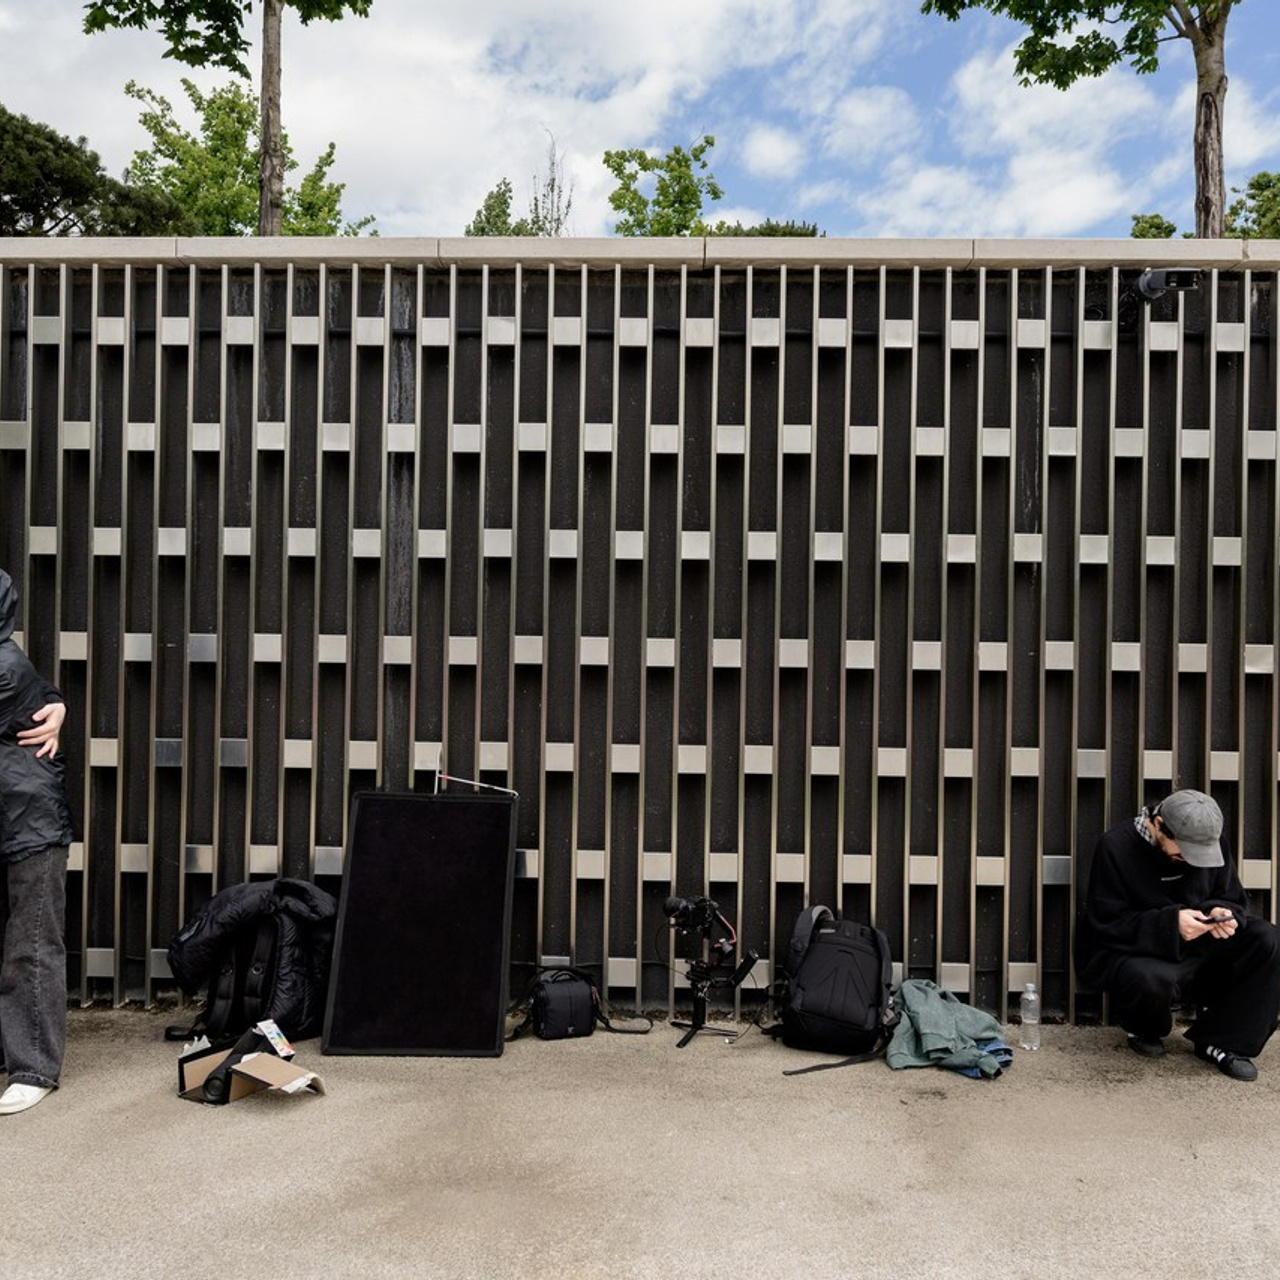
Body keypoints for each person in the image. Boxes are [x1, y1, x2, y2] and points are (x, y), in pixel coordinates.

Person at [1077, 788, 1280, 1081]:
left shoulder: (1210, 840)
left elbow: (1232, 898)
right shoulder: (1115, 846)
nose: (1191, 860)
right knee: (1148, 978)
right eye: (1183, 851)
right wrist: (1170, 924)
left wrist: (1224, 915)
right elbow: (1107, 922)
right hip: (1141, 952)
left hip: (1201, 947)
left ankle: (1223, 1041)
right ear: (1158, 824)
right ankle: (1145, 1027)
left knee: (1268, 940)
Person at [0, 568, 74, 1114]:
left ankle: (33, 1068)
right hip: (11, 815)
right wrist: (55, 700)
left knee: (32, 947)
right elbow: (40, 692)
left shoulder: (2, 664)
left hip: (30, 822)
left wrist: (56, 703)